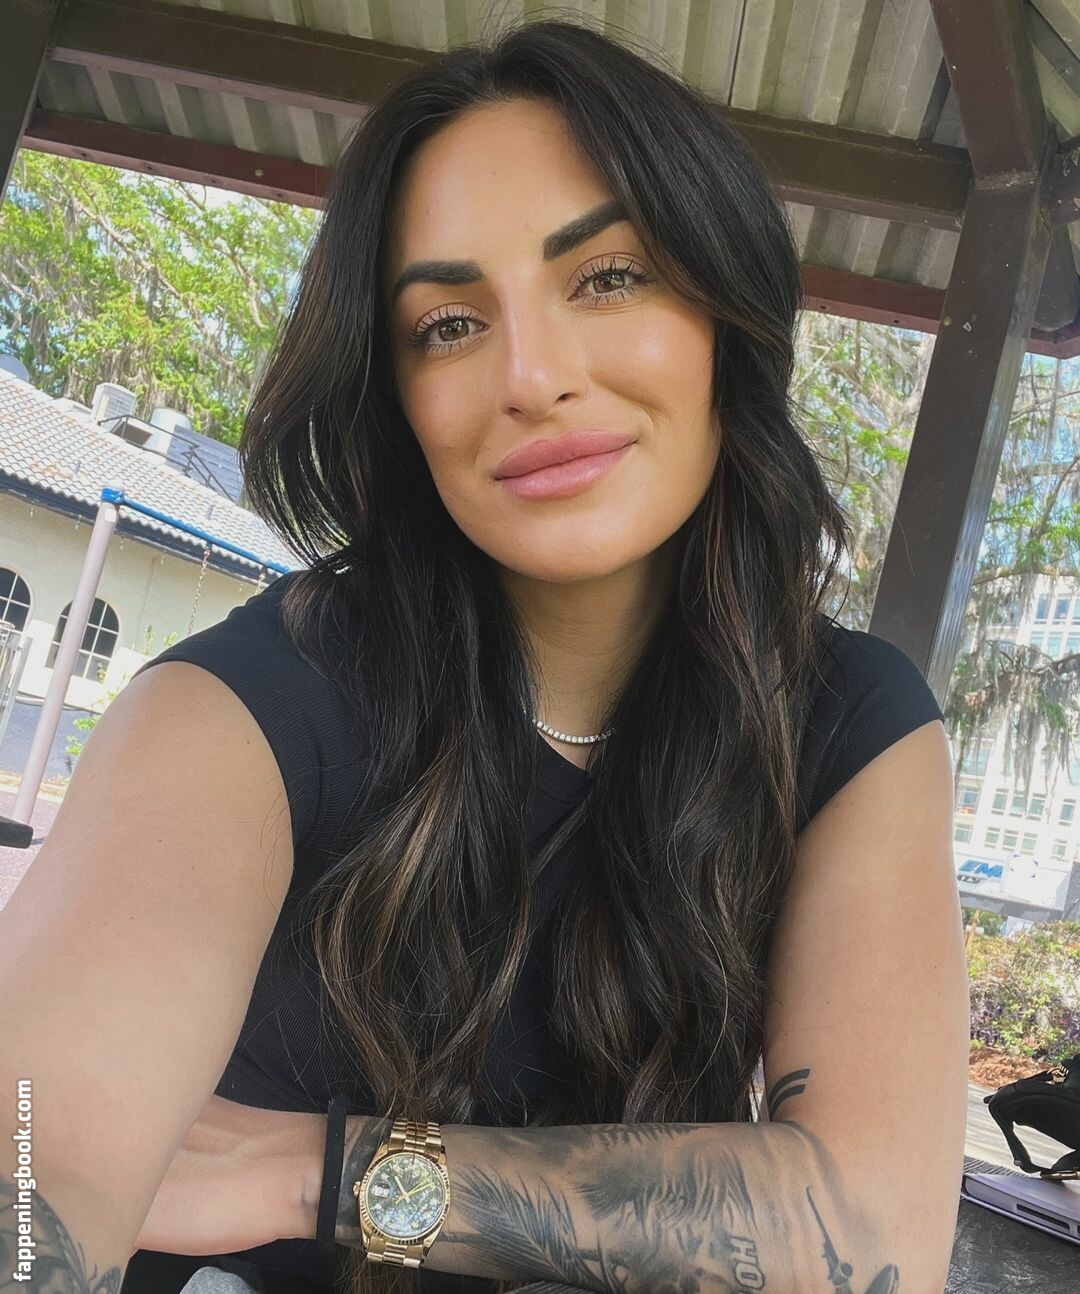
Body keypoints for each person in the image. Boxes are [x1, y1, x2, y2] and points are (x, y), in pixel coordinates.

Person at [0, 16, 969, 1294]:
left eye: (608, 276)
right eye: (449, 323)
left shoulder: (847, 725)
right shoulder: (253, 704)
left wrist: (323, 1171)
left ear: (723, 320)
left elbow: (876, 1229)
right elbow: (36, 1164)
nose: (532, 376)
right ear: (397, 397)